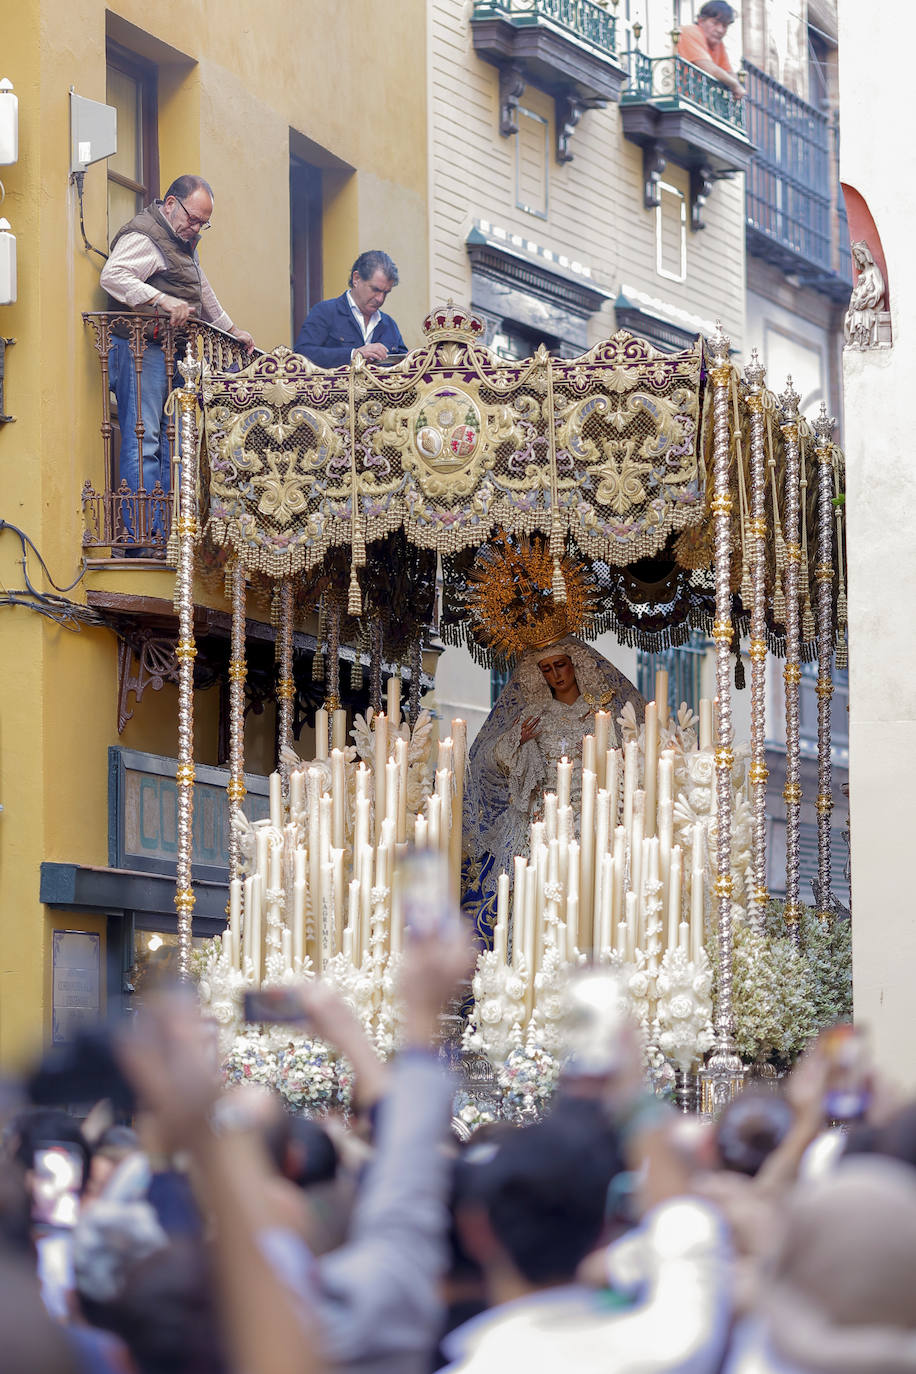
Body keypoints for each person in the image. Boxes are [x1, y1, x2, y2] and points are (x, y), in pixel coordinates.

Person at [99, 175, 254, 541]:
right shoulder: (145, 235)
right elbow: (113, 275)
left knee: (174, 443)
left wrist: (231, 329)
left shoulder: (182, 242)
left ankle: (167, 536)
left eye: (203, 223)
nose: (196, 227)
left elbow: (200, 288)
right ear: (170, 203)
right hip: (140, 349)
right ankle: (143, 536)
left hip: (166, 352)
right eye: (193, 218)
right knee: (146, 440)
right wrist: (160, 299)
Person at [462, 636, 645, 944]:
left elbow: (622, 760)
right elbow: (490, 760)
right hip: (539, 819)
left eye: (560, 665)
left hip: (588, 816)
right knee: (529, 892)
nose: (555, 675)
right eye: (546, 669)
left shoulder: (600, 711)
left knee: (588, 890)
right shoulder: (534, 713)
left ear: (576, 665)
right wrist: (516, 741)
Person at [293, 250, 407, 367]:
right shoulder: (325, 312)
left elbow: (406, 366)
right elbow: (301, 355)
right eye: (375, 290)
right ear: (356, 279)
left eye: (386, 293)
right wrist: (353, 354)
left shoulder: (389, 325)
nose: (380, 299)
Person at [677, 1, 745, 101]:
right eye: (715, 23)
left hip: (698, 102)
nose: (720, 30)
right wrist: (735, 85)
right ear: (701, 20)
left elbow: (729, 73)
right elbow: (708, 67)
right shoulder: (690, 31)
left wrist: (734, 83)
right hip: (681, 99)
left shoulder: (718, 45)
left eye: (724, 26)